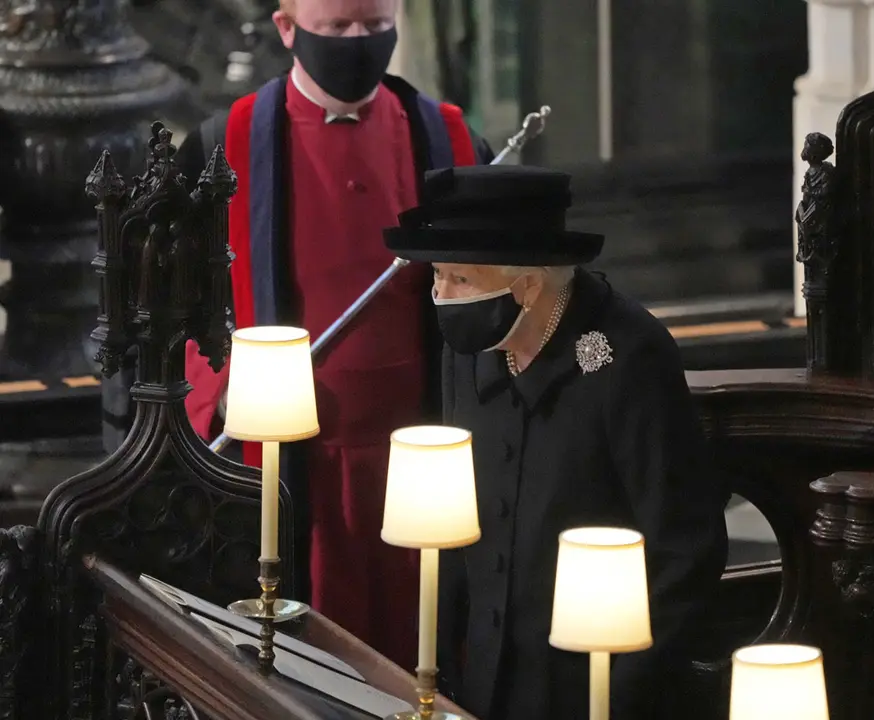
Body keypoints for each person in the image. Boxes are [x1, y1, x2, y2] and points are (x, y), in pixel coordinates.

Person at [172, 0, 494, 670]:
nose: (357, 42)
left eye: (374, 27)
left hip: (421, 454)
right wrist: (222, 386)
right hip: (289, 464)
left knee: (420, 657)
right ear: (287, 28)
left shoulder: (449, 139)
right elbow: (170, 311)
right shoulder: (218, 147)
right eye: (337, 28)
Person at [383, 165, 730, 719]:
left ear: (526, 284)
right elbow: (452, 516)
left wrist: (615, 696)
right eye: (437, 276)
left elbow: (685, 549)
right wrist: (440, 666)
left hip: (592, 689)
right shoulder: (467, 349)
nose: (441, 296)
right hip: (482, 683)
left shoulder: (630, 355)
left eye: (460, 279)